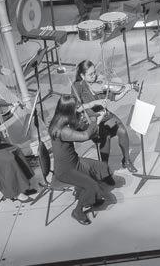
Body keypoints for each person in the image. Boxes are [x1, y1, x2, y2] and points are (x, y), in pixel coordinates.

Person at [48, 95, 112, 225]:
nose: (78, 108)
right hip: (66, 170)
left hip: (74, 161)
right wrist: (95, 120)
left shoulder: (60, 119)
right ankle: (77, 211)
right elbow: (85, 136)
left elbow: (79, 124)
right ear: (68, 109)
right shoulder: (62, 130)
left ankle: (91, 197)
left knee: (101, 167)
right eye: (76, 107)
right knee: (91, 185)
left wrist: (91, 111)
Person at [71, 60, 137, 172]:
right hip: (91, 119)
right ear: (82, 75)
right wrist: (94, 103)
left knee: (122, 131)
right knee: (105, 137)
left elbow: (114, 97)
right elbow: (77, 108)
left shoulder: (100, 82)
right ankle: (104, 168)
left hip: (104, 114)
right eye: (90, 74)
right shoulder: (77, 87)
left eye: (94, 72)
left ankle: (126, 160)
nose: (94, 76)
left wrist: (125, 90)